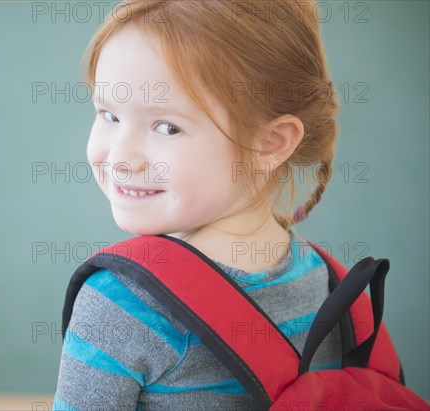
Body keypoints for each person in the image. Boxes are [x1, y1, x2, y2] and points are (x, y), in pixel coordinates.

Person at [54, 1, 342, 409]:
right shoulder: (331, 285)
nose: (121, 157)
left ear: (271, 142)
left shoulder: (122, 303)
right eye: (109, 114)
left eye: (167, 127)